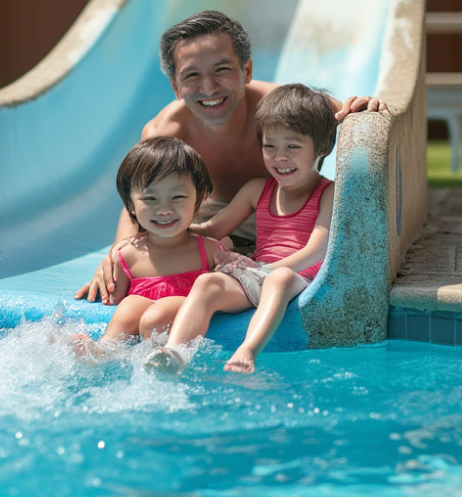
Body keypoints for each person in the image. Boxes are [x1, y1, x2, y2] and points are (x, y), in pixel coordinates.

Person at [74, 10, 383, 305]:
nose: (208, 88)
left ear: (246, 71)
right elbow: (139, 199)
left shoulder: (284, 109)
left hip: (281, 224)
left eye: (222, 70)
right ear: (175, 86)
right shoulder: (167, 131)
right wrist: (117, 256)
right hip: (209, 225)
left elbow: (348, 113)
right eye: (191, 75)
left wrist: (361, 108)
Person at [144, 83, 336, 374]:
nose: (279, 157)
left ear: (322, 147)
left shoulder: (328, 193)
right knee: (208, 283)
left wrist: (266, 269)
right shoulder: (257, 190)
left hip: (298, 277)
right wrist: (162, 227)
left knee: (279, 278)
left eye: (292, 147)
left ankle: (248, 350)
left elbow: (317, 249)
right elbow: (211, 228)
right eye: (269, 146)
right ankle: (175, 354)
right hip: (258, 274)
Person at [72, 136, 225, 361]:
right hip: (142, 327)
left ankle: (167, 354)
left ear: (199, 199)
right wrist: (100, 290)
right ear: (131, 204)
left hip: (182, 321)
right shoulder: (127, 255)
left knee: (156, 316)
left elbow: (223, 296)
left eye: (177, 197)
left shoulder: (208, 251)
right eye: (150, 198)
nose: (164, 209)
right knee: (131, 305)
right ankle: (105, 349)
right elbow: (112, 299)